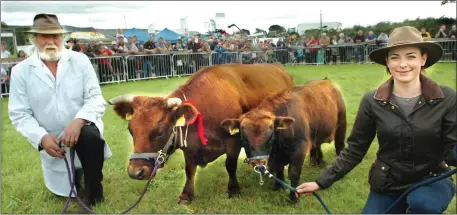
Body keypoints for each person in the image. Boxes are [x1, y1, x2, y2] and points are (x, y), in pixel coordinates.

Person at [295, 26, 456, 214]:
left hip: (432, 178)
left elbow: (452, 149)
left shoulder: (446, 97)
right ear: (387, 62)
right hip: (389, 180)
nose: (402, 64)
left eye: (411, 56)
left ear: (423, 59)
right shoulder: (372, 101)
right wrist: (321, 181)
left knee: (423, 205)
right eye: (395, 57)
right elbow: (355, 149)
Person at [7, 13, 112, 211]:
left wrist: (79, 121)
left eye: (55, 36)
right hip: (52, 138)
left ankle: (93, 189)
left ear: (62, 38)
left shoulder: (80, 61)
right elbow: (20, 113)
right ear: (33, 39)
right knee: (64, 189)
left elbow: (95, 98)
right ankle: (73, 180)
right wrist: (41, 137)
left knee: (91, 138)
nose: (50, 41)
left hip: (82, 128)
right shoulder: (20, 71)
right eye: (44, 36)